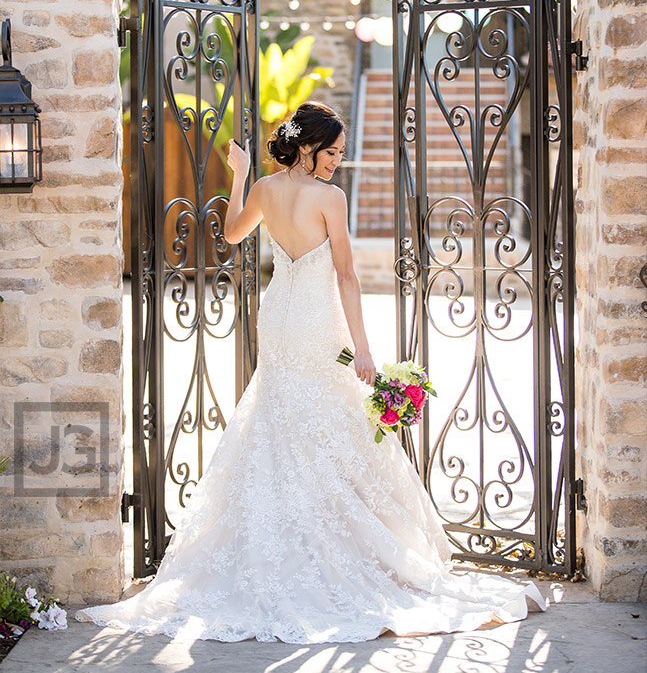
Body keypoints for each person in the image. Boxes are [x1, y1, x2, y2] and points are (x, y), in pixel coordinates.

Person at [75, 100, 545, 643]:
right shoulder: (330, 198)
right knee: (330, 417)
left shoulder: (266, 190)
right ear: (305, 147)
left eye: (342, 155)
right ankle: (336, 543)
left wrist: (242, 174)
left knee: (280, 415)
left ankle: (297, 537)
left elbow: (230, 234)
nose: (338, 163)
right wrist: (365, 350)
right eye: (332, 152)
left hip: (279, 315)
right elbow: (346, 275)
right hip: (318, 318)